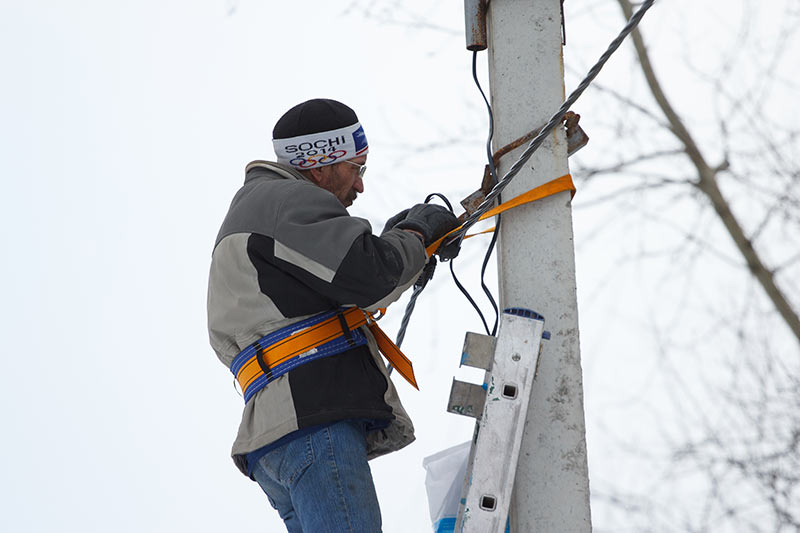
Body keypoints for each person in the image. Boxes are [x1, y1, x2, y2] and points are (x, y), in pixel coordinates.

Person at [207, 98, 459, 532]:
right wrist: (416, 235)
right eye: (355, 168)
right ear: (320, 166)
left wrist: (403, 250)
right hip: (313, 422)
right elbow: (368, 275)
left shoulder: (261, 208)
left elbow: (340, 290)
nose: (359, 187)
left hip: (277, 435)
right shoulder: (288, 201)